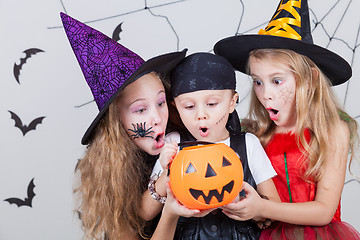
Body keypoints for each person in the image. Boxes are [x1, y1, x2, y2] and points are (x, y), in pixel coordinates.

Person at [214, 0, 360, 239]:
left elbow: (324, 211)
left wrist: (263, 208)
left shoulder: (332, 131)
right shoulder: (254, 134)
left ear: (310, 80)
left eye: (277, 80)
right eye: (258, 81)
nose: (265, 93)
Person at [60, 12, 187, 240]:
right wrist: (169, 208)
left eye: (160, 103)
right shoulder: (110, 174)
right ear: (117, 121)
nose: (157, 118)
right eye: (140, 109)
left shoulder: (184, 141)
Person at [147, 52, 280, 239]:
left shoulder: (248, 144)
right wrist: (165, 171)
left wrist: (252, 207)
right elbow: (145, 213)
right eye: (189, 107)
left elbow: (273, 207)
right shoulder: (173, 144)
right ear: (175, 107)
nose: (201, 115)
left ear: (232, 103)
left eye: (211, 103)